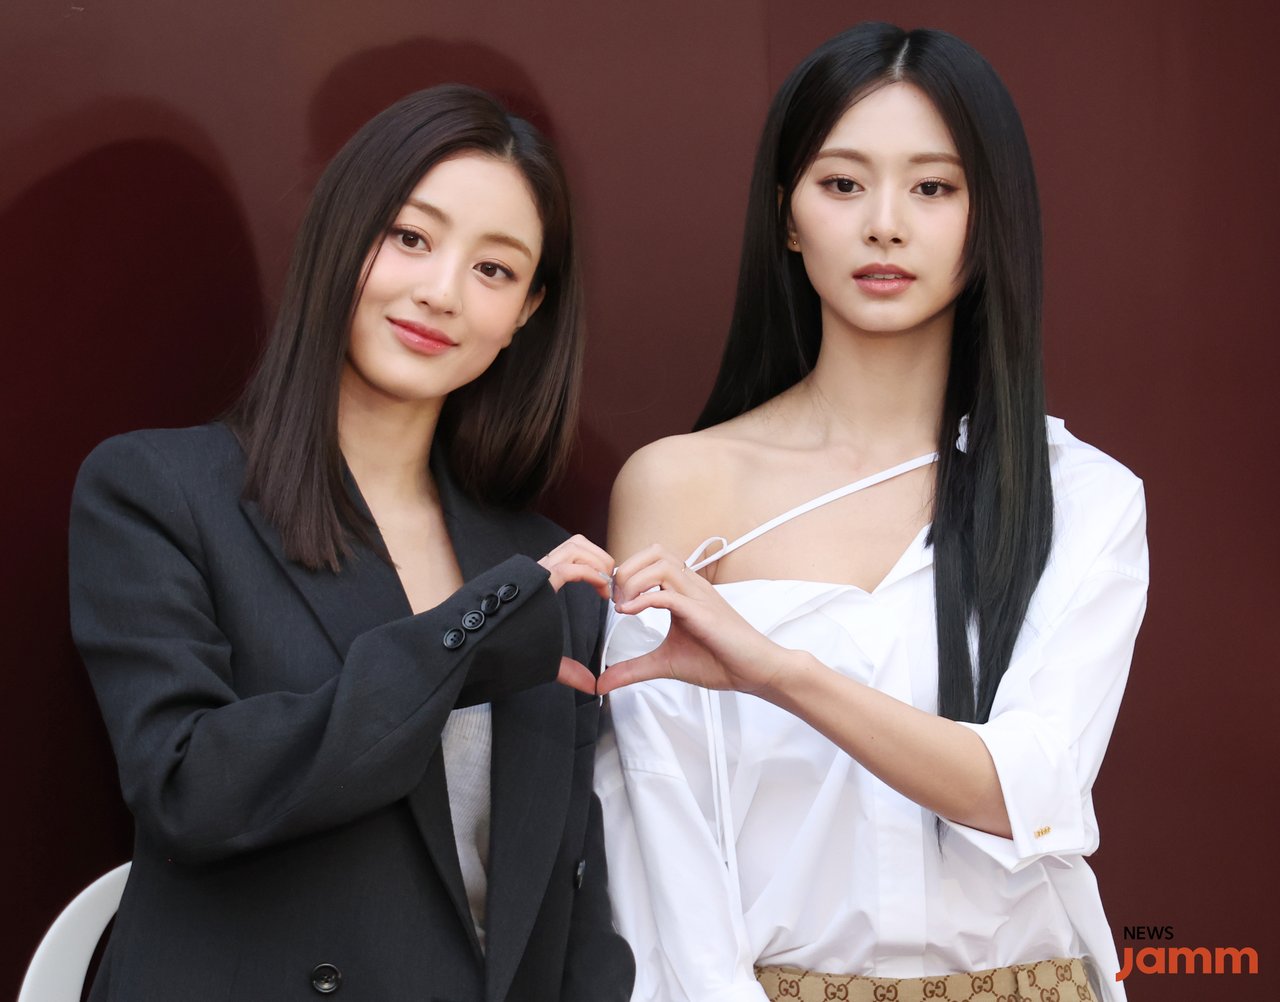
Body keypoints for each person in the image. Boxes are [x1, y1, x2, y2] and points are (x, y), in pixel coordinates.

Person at [590, 23, 1147, 1002]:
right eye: (842, 183)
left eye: (932, 188)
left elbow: (1032, 790)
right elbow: (657, 835)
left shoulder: (1081, 495)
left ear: (986, 219)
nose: (884, 224)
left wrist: (782, 672)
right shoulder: (679, 486)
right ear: (788, 217)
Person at [69, 84, 634, 1001]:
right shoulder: (159, 491)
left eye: (494, 270)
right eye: (410, 237)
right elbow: (189, 788)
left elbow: (566, 912)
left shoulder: (546, 568)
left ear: (527, 312)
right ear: (341, 232)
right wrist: (464, 639)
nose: (440, 292)